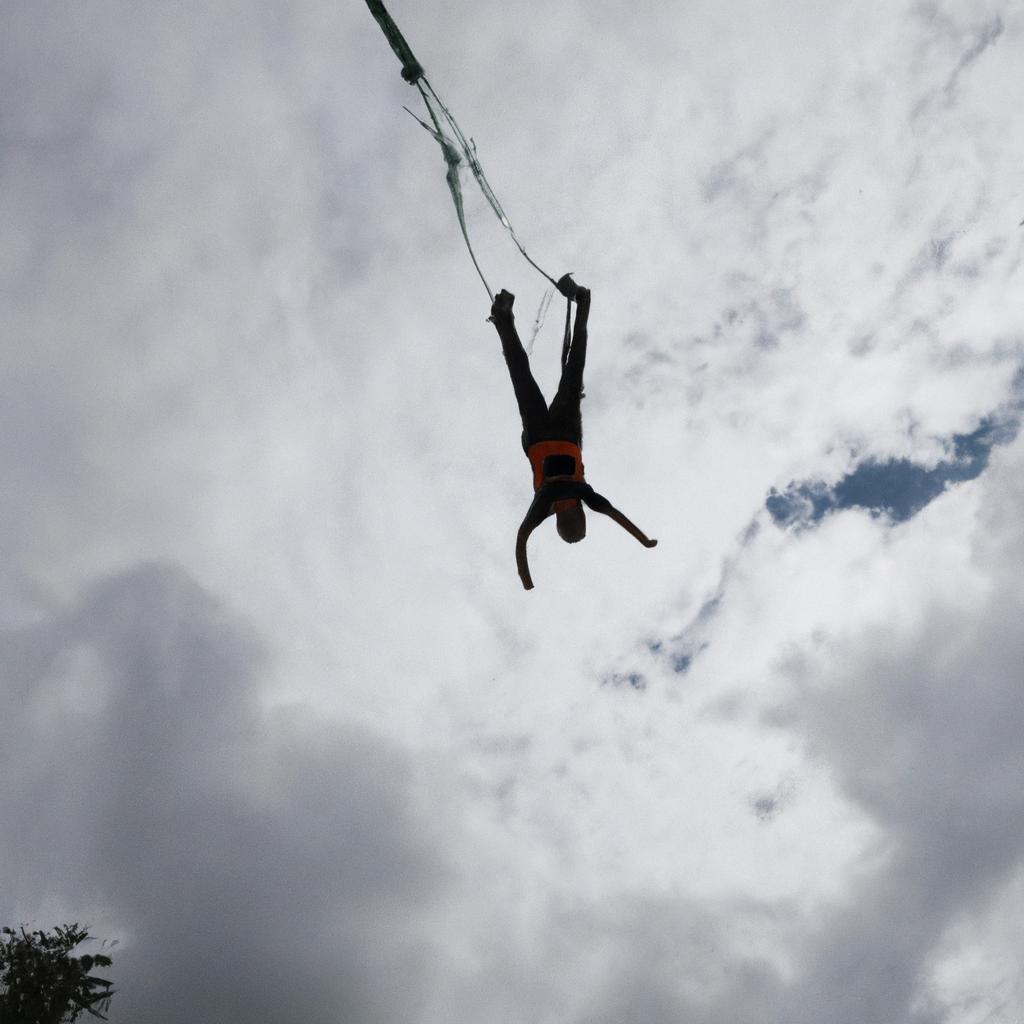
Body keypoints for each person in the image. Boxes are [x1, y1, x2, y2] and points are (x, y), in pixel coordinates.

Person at [488, 274, 658, 590]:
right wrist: (525, 579)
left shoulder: (583, 495)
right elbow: (522, 539)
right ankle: (503, 318)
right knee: (521, 376)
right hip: (540, 435)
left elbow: (616, 516)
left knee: (574, 365)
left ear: (579, 513)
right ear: (559, 518)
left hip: (564, 432)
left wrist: (645, 539)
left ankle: (582, 301)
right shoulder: (545, 503)